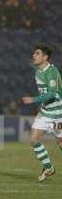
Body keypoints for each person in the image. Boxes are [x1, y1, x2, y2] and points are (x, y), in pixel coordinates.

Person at [21, 45, 62, 182]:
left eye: (37, 53)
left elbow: (52, 94)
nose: (33, 55)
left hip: (58, 114)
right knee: (34, 140)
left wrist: (33, 99)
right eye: (34, 53)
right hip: (45, 113)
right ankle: (48, 167)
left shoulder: (52, 72)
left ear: (45, 57)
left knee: (60, 142)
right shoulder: (38, 71)